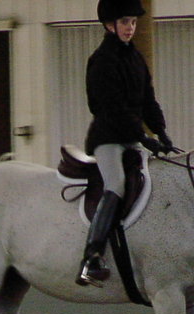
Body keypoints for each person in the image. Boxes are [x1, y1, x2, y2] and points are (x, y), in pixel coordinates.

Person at [76, 0, 174, 288]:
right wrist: (143, 137)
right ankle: (92, 257)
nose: (130, 27)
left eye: (132, 22)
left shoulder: (135, 58)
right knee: (116, 185)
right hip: (108, 137)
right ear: (110, 25)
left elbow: (148, 100)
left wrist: (161, 132)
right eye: (124, 22)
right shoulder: (102, 61)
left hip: (132, 138)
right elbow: (110, 107)